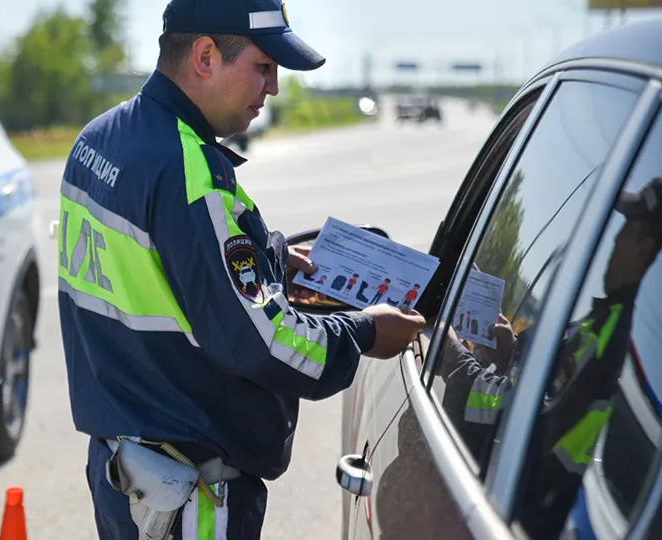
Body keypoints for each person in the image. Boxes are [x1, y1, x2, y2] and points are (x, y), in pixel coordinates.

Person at [57, 1, 428, 538]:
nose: (273, 87)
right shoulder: (190, 171)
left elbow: (165, 273)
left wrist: (272, 261)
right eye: (262, 66)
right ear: (205, 55)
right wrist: (368, 332)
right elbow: (264, 343)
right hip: (189, 493)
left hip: (123, 472)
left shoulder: (96, 142)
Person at [437, 177, 662, 537]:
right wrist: (511, 355)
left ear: (642, 249)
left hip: (530, 520)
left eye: (625, 232)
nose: (614, 242)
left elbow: (521, 416)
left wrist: (451, 355)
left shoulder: (607, 340)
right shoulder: (606, 327)